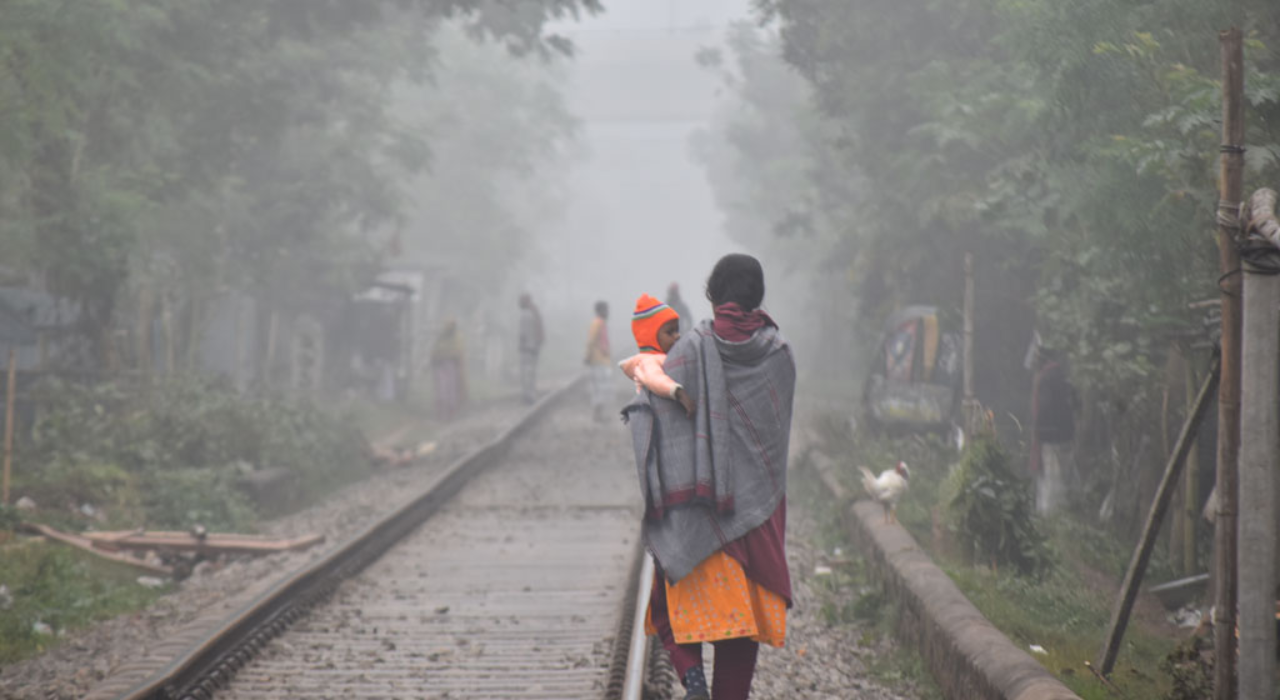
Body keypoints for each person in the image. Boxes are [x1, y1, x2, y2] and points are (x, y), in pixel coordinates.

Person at [622, 254, 795, 700]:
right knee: (741, 633)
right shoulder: (779, 356)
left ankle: (693, 678)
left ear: (713, 297)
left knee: (668, 607)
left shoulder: (688, 351)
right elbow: (774, 447)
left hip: (697, 519)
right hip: (753, 523)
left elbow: (654, 416)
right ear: (758, 297)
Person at [618, 293, 696, 416]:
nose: (677, 335)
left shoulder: (664, 356)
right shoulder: (649, 361)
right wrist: (679, 392)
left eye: (677, 330)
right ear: (651, 338)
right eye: (670, 332)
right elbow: (655, 379)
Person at [1028, 335, 1076, 514]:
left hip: (1050, 437)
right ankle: (1058, 514)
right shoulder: (1062, 375)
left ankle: (1050, 516)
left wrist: (1038, 432)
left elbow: (1045, 408)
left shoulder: (1046, 378)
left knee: (1051, 479)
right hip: (1065, 434)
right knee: (1061, 477)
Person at [431, 318, 467, 421]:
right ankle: (441, 414)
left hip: (451, 365)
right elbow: (435, 351)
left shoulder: (457, 338)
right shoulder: (441, 337)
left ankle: (450, 414)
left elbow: (459, 353)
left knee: (451, 390)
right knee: (442, 390)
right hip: (440, 364)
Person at [584, 300, 612, 422]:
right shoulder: (597, 323)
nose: (608, 312)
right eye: (605, 310)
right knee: (599, 387)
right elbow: (591, 341)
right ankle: (597, 415)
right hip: (597, 360)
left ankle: (599, 414)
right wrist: (588, 356)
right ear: (599, 311)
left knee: (601, 387)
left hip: (601, 360)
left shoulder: (601, 323)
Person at [517, 293, 544, 404]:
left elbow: (522, 334)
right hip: (534, 347)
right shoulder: (533, 313)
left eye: (520, 301)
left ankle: (527, 395)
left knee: (525, 373)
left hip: (526, 348)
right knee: (532, 372)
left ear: (524, 302)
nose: (518, 303)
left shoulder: (524, 315)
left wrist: (520, 346)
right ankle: (532, 394)